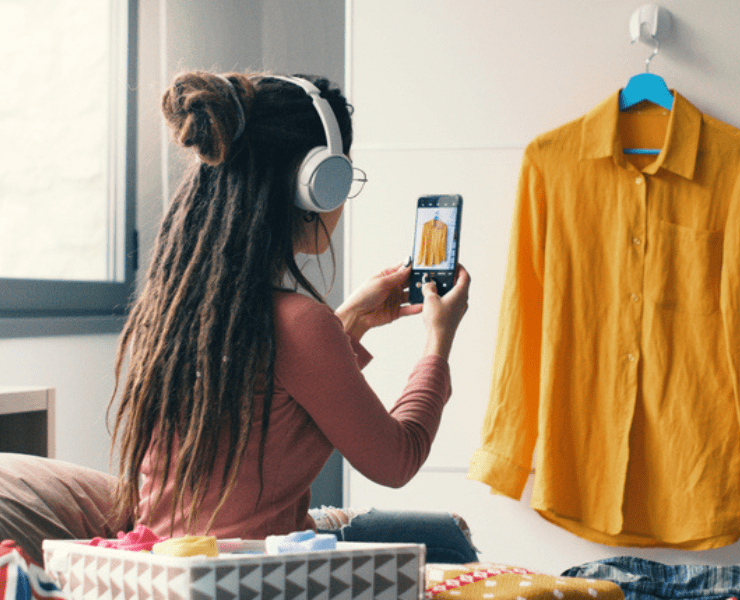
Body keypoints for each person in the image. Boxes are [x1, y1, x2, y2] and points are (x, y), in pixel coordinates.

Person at [108, 71, 470, 548]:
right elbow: (398, 459)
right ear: (319, 183)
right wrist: (438, 341)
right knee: (450, 540)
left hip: (171, 568)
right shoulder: (300, 324)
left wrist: (351, 322)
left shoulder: (170, 314)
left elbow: (272, 392)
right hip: (252, 577)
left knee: (440, 534)